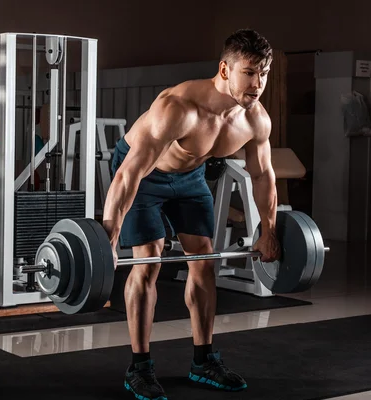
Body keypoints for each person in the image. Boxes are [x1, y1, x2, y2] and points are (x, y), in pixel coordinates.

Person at [102, 29, 281, 400]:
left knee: (203, 262)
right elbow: (128, 173)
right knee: (147, 263)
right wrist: (109, 235)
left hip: (190, 179)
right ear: (225, 69)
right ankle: (140, 367)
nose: (258, 83)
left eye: (264, 73)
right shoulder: (178, 107)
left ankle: (203, 361)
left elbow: (262, 174)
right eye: (249, 73)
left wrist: (269, 230)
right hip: (146, 176)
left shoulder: (255, 119)